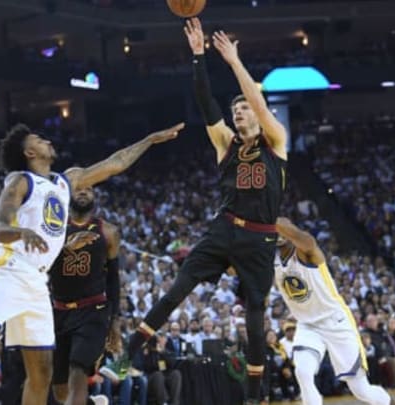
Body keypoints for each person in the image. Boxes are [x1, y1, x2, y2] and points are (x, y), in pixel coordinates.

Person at [0, 121, 184, 405]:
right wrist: (21, 231)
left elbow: (114, 163)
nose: (46, 141)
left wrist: (149, 140)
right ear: (29, 151)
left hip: (38, 283)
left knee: (42, 372)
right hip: (12, 267)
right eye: (39, 139)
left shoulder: (66, 181)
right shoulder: (21, 182)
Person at [127, 17, 287, 405]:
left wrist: (233, 62)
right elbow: (205, 102)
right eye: (236, 111)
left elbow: (259, 102)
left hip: (260, 236)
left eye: (244, 109)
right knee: (180, 286)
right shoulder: (224, 142)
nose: (239, 113)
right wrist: (199, 57)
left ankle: (253, 395)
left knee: (254, 316)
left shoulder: (275, 141)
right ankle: (127, 353)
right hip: (224, 227)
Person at [273, 217, 395, 405]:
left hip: (335, 320)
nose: (279, 233)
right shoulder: (271, 261)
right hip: (307, 325)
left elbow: (307, 241)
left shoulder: (306, 252)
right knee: (303, 373)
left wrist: (272, 218)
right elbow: (236, 268)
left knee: (361, 390)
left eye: (283, 230)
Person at [48, 185, 120, 405]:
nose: (83, 192)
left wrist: (114, 322)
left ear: (94, 197)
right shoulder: (54, 230)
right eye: (78, 188)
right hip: (59, 310)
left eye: (88, 189)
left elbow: (114, 280)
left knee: (78, 369)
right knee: (59, 387)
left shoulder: (108, 231)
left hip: (93, 311)